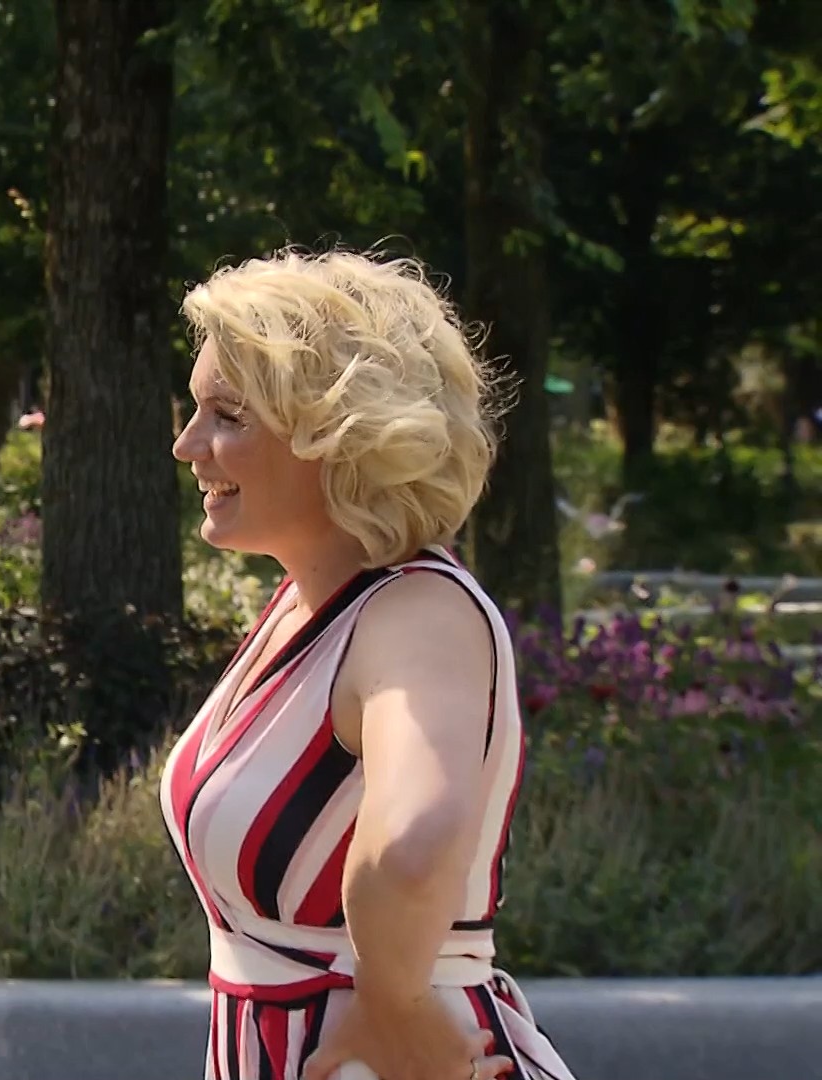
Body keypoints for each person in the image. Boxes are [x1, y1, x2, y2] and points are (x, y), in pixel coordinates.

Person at [161, 247, 577, 1080]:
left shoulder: (416, 613)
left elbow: (414, 844)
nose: (186, 444)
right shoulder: (313, 605)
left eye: (227, 415)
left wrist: (394, 1009)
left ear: (339, 434)